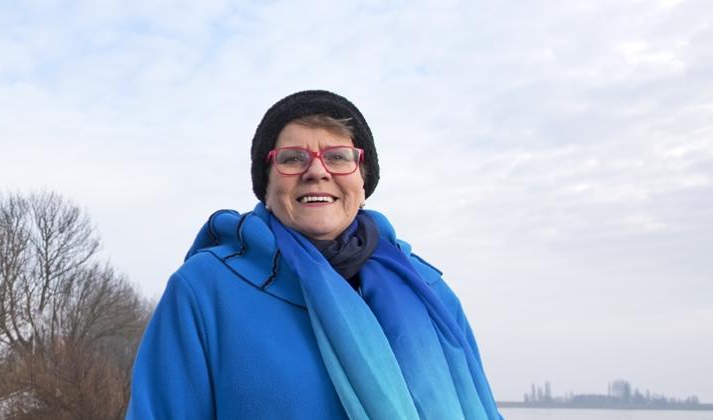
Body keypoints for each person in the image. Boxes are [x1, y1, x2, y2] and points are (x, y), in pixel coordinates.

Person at [127, 90, 502, 419]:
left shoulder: (430, 292)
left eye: (338, 157)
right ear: (266, 185)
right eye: (292, 158)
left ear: (363, 180)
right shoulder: (205, 290)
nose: (317, 171)